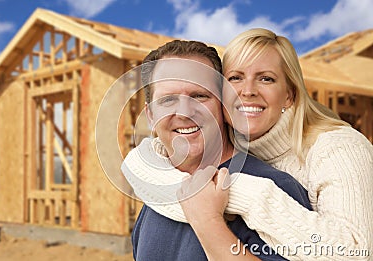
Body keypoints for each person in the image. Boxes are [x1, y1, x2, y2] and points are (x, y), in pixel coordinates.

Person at [127, 29, 373, 260]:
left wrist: (215, 214)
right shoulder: (159, 194)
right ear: (150, 115)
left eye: (200, 96)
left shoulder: (297, 175)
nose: (247, 91)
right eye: (168, 100)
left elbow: (356, 252)